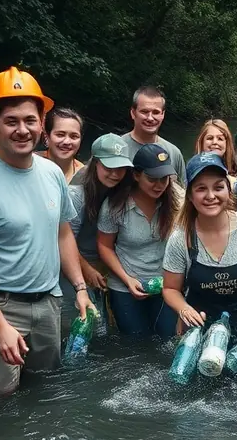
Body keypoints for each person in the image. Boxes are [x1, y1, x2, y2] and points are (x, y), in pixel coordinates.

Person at [0, 67, 93, 396]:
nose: (22, 130)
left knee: (43, 388)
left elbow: (62, 234)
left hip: (48, 302)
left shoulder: (52, 174)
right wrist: (0, 326)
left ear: (42, 122)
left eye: (30, 120)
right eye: (11, 121)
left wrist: (80, 287)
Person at [162, 153, 237, 340]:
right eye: (201, 189)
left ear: (229, 190)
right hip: (206, 329)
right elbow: (170, 289)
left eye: (218, 187)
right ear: (189, 196)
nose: (211, 196)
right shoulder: (181, 238)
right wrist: (184, 309)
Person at [97, 143, 183, 338]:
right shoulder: (115, 205)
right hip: (125, 286)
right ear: (136, 175)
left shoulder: (177, 199)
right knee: (135, 345)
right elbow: (104, 245)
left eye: (164, 179)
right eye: (152, 179)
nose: (160, 185)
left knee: (168, 340)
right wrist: (127, 280)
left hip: (166, 286)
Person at [66, 134, 134, 294]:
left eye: (121, 168)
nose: (115, 174)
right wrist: (87, 270)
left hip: (108, 262)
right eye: (109, 168)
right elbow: (65, 241)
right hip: (76, 262)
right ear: (95, 163)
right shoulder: (77, 193)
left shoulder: (125, 187)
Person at [121, 85, 185, 185]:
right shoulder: (117, 148)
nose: (150, 118)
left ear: (163, 114)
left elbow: (182, 194)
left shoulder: (174, 153)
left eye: (156, 112)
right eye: (144, 112)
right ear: (133, 113)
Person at [43, 107, 85, 182]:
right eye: (60, 135)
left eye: (74, 136)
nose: (67, 142)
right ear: (47, 137)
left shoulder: (84, 175)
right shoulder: (28, 164)